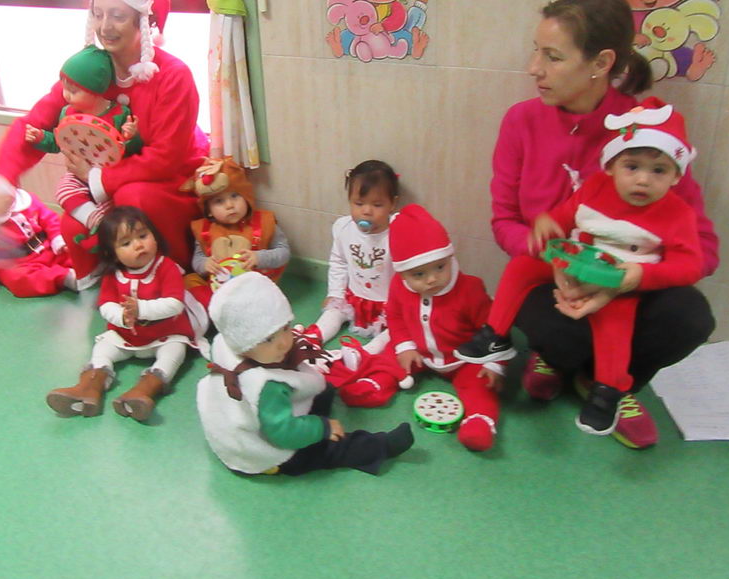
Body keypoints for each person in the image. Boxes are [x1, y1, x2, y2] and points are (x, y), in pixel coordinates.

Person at [490, 0, 718, 449]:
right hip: (557, 277)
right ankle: (564, 360)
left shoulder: (650, 133)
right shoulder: (521, 121)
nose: (535, 68)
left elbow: (704, 251)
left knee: (690, 317)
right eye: (536, 52)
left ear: (601, 63)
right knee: (551, 326)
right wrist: (557, 263)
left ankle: (613, 382)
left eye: (553, 56)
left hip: (628, 284)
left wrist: (627, 279)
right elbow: (505, 222)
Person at [458, 99, 704, 436]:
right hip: (576, 261)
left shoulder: (678, 214)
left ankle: (607, 390)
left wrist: (638, 277)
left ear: (677, 176)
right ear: (612, 166)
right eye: (632, 167)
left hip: (620, 278)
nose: (643, 180)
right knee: (522, 266)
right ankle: (495, 335)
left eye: (658, 170)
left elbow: (692, 264)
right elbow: (567, 213)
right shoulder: (597, 187)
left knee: (615, 326)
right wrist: (547, 223)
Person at [0, 0, 208, 278]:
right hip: (108, 177)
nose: (105, 26)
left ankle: (176, 276)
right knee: (73, 222)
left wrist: (97, 178)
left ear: (142, 21)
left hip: (168, 179)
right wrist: (1, 178)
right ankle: (108, 284)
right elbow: (37, 122)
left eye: (117, 15)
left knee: (135, 199)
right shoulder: (88, 70)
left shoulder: (173, 75)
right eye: (98, 14)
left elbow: (167, 159)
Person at [196, 271, 415, 476]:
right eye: (268, 339)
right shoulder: (264, 386)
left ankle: (314, 414)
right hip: (265, 450)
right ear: (244, 343)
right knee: (329, 449)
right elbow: (283, 433)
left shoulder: (228, 344)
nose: (283, 343)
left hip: (239, 427)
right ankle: (379, 447)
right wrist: (322, 428)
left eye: (285, 328)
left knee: (323, 390)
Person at [328, 205, 501, 451]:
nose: (431, 279)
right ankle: (375, 385)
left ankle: (479, 422)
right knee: (390, 357)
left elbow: (493, 329)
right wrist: (405, 346)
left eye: (440, 267)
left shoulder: (470, 290)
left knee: (479, 385)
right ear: (403, 273)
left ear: (449, 258)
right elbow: (396, 319)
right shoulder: (399, 286)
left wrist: (494, 363)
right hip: (419, 350)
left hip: (465, 358)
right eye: (419, 274)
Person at [46, 207, 205, 422]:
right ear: (113, 253)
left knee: (175, 350)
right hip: (125, 335)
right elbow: (105, 305)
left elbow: (174, 304)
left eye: (143, 235)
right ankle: (90, 385)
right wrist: (121, 317)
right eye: (126, 243)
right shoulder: (113, 274)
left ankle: (146, 389)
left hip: (164, 334)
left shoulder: (166, 267)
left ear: (154, 235)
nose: (139, 245)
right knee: (103, 347)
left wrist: (142, 309)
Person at [25, 45, 141, 284]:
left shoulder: (119, 112)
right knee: (63, 190)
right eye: (65, 87)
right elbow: (58, 142)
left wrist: (130, 136)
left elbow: (130, 149)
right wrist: (39, 139)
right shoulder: (67, 111)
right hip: (77, 175)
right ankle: (95, 220)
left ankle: (102, 219)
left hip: (107, 174)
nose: (66, 95)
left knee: (111, 198)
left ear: (96, 90)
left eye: (74, 90)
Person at [305, 160, 398, 352]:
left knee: (395, 333)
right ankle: (311, 339)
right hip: (354, 298)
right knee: (333, 312)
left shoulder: (398, 232)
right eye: (358, 203)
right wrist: (335, 293)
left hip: (388, 305)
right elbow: (338, 262)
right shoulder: (344, 228)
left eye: (377, 204)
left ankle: (366, 353)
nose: (366, 211)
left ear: (392, 204)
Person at [0, 158, 79, 301]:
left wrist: (57, 238)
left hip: (47, 248)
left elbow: (50, 219)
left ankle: (84, 270)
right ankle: (64, 277)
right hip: (17, 263)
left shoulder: (25, 199)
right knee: (17, 279)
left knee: (74, 250)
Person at [183, 156, 289, 310]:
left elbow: (284, 252)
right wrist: (205, 264)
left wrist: (259, 257)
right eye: (219, 201)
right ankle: (214, 310)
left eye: (235, 196)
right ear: (209, 211)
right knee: (189, 282)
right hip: (219, 287)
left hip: (256, 287)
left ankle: (235, 310)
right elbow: (197, 258)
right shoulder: (204, 229)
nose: (230, 205)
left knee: (265, 303)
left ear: (246, 197)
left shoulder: (264, 221)